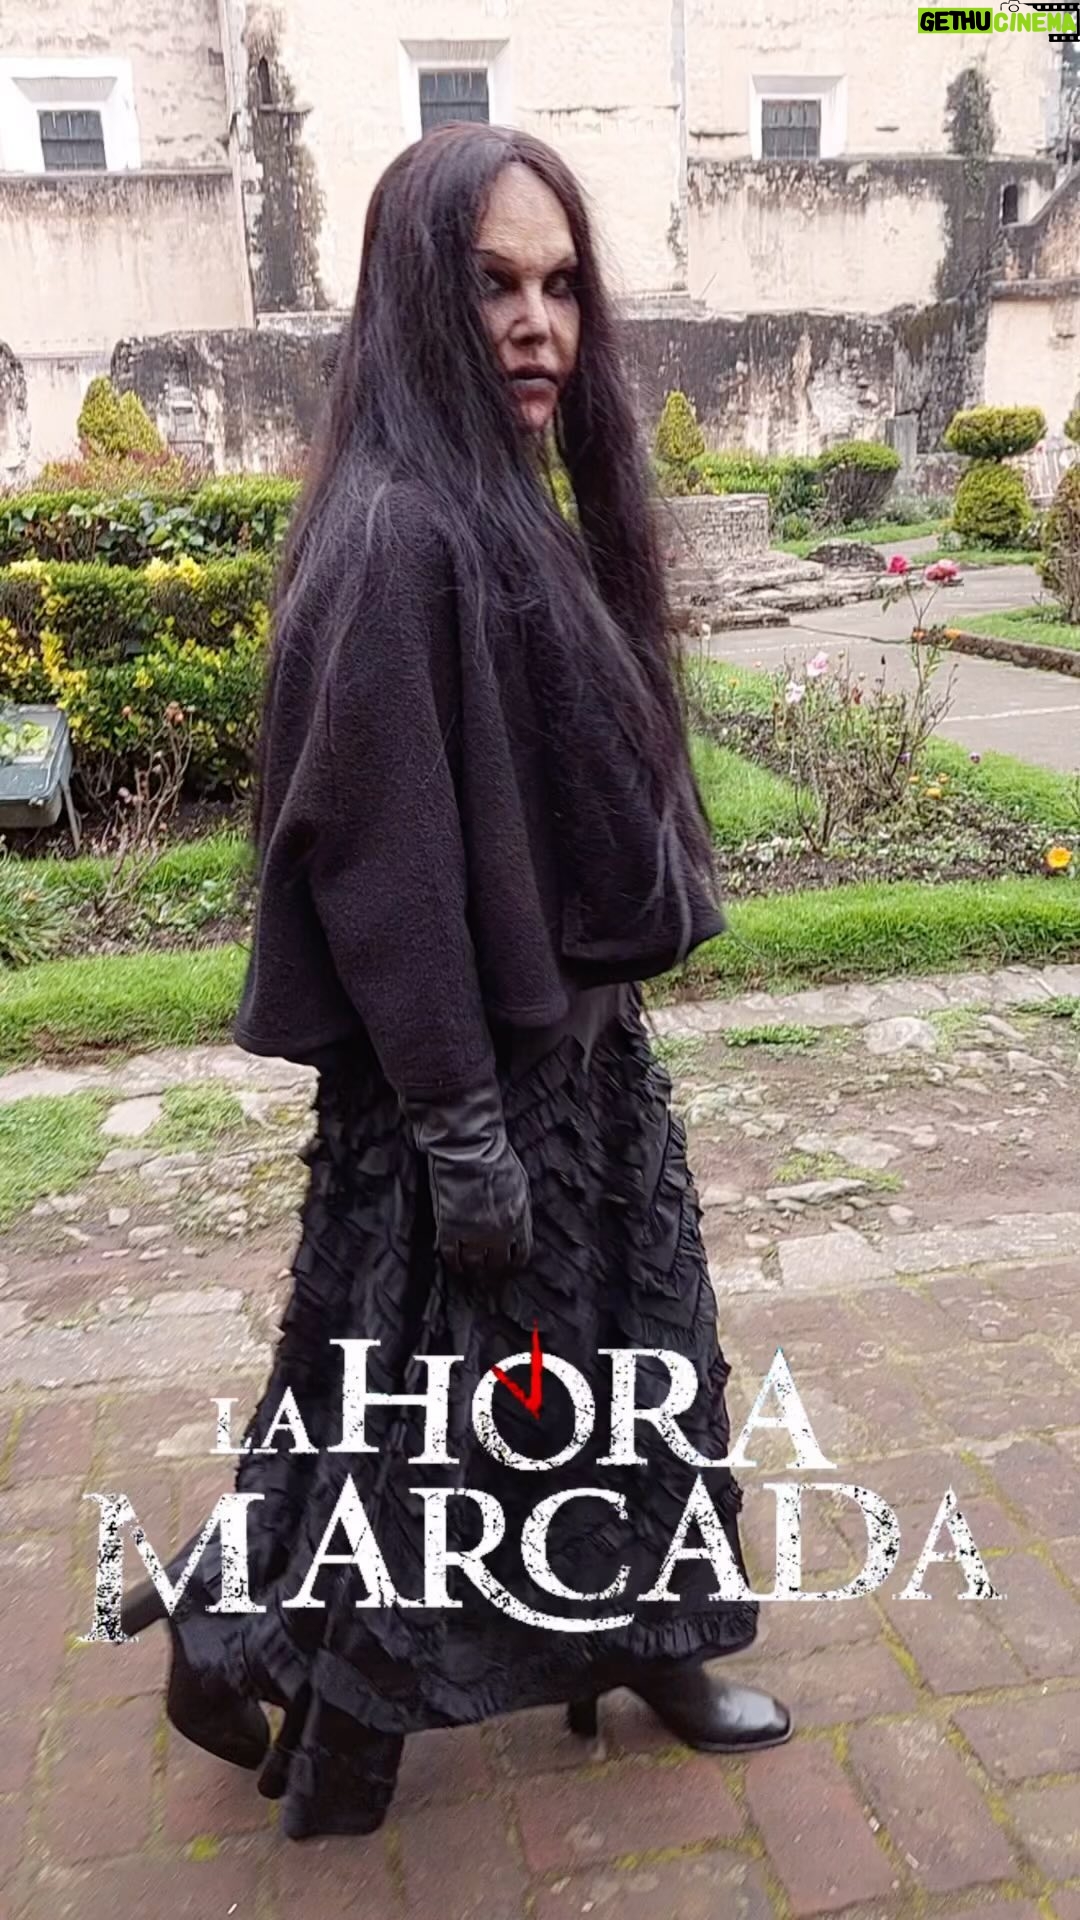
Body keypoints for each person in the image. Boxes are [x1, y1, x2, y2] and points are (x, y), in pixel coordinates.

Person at [121, 122, 790, 1841]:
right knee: (420, 1426)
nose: (537, 322)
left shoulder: (498, 501)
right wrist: (463, 1133)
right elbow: (381, 865)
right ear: (419, 298)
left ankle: (655, 1636)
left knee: (632, 1366)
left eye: (560, 285)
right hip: (469, 1095)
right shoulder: (399, 531)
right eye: (494, 284)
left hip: (576, 1067)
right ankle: (255, 1652)